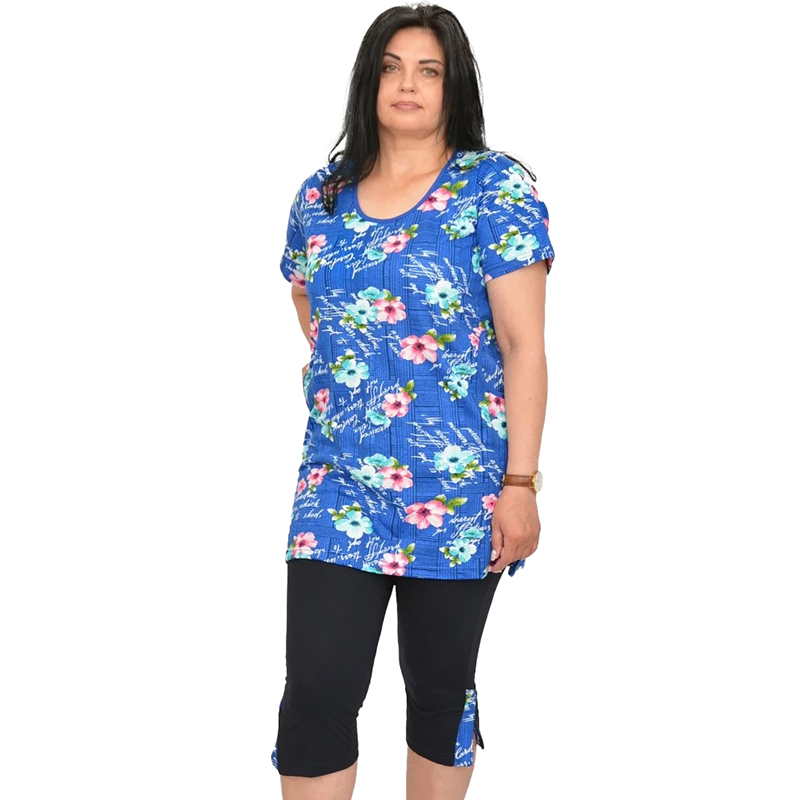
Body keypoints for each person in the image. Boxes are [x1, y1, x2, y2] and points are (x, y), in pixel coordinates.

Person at [271, 4, 555, 798]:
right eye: (392, 67)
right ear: (369, 81)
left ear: (453, 85)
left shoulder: (493, 189)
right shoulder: (322, 197)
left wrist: (521, 484)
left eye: (428, 70)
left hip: (460, 489)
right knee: (316, 693)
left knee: (439, 692)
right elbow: (305, 291)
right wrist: (348, 369)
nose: (408, 84)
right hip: (337, 484)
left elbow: (525, 346)